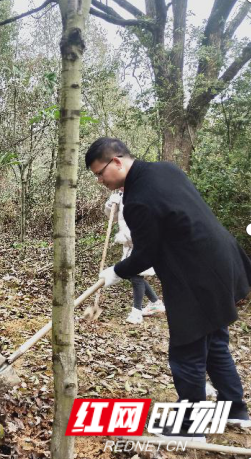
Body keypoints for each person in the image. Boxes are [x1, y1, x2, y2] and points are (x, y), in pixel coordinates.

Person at [86, 137, 251, 440]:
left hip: (195, 276)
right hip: (224, 261)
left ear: (117, 162)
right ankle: (235, 409)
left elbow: (145, 255)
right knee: (214, 340)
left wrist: (115, 272)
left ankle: (190, 427)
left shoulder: (137, 199)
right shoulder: (166, 169)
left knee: (187, 350)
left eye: (99, 173)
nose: (100, 181)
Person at [104, 190, 165, 324]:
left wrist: (126, 236)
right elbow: (113, 216)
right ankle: (155, 302)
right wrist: (111, 204)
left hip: (141, 242)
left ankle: (136, 312)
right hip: (129, 243)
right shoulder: (121, 196)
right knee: (131, 273)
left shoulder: (140, 194)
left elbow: (145, 223)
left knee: (135, 274)